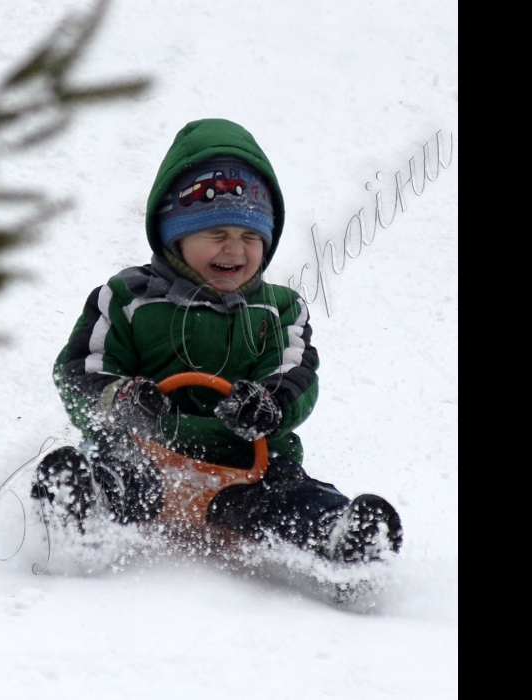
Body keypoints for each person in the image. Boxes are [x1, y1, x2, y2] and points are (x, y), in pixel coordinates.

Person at [31, 118, 403, 565]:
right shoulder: (129, 298)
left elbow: (296, 372)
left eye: (251, 237)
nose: (235, 251)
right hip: (145, 452)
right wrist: (120, 399)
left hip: (247, 465)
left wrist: (270, 404)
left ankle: (341, 541)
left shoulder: (279, 310)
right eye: (217, 235)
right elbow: (81, 371)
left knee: (290, 500)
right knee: (115, 475)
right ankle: (79, 510)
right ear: (175, 237)